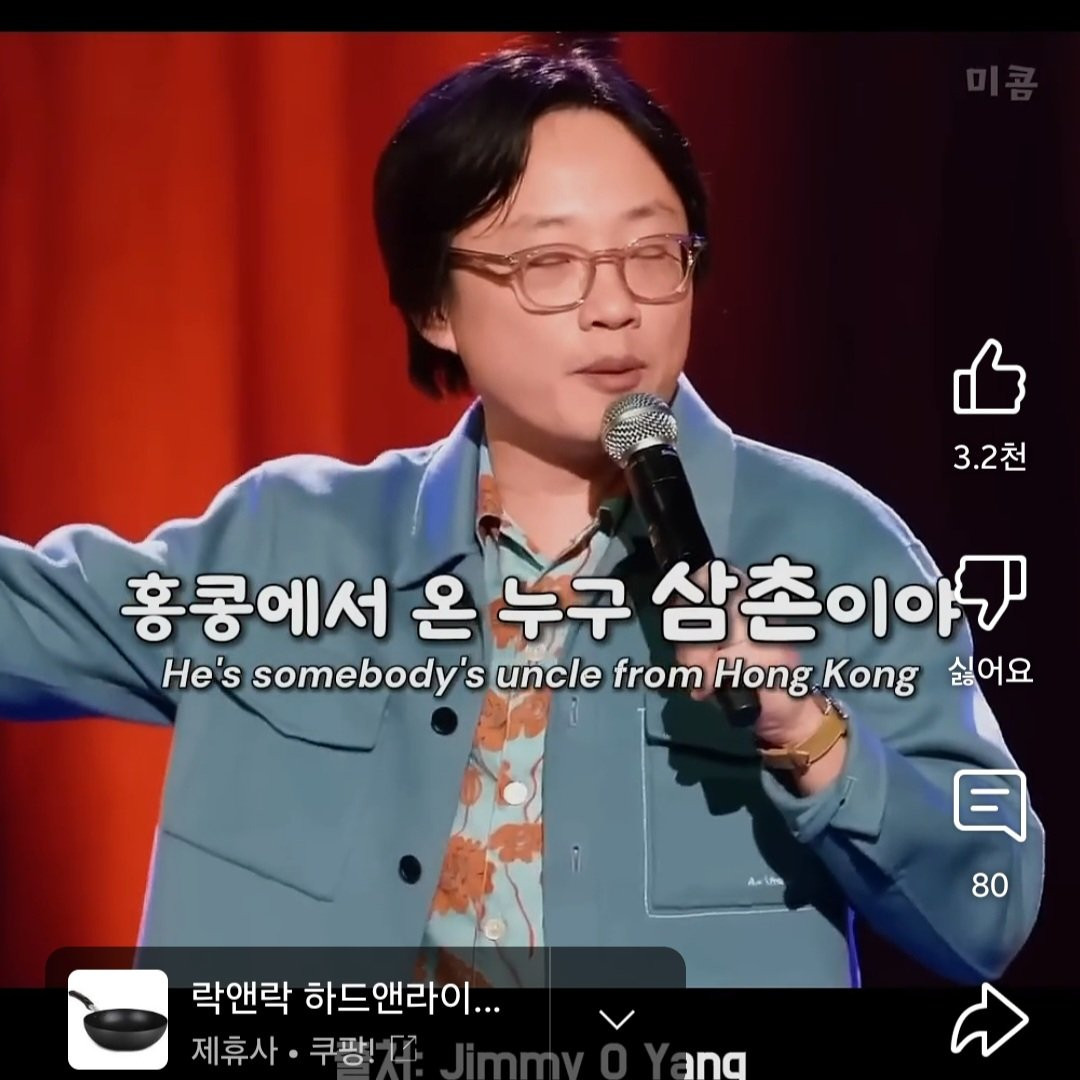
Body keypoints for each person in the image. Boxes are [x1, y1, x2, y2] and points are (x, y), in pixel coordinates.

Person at [0, 43, 1043, 990]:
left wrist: (806, 730)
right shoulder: (286, 544)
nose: (615, 306)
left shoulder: (829, 546)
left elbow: (988, 910)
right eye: (549, 263)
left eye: (653, 253)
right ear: (434, 306)